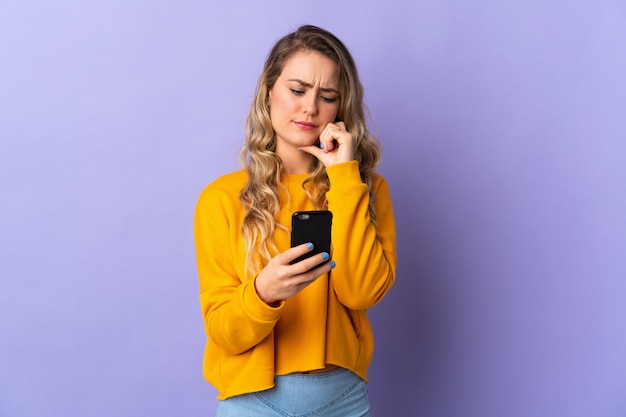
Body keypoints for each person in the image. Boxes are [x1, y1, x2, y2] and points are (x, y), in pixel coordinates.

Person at [194, 25, 397, 417]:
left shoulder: (366, 188)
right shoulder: (221, 198)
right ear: (269, 91)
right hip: (253, 402)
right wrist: (264, 292)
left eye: (327, 96)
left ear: (340, 108)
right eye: (298, 90)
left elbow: (362, 293)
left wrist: (344, 178)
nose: (310, 108)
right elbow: (223, 331)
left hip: (342, 399)